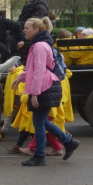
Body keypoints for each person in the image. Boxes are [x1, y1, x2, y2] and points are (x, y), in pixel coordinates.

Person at [11, 17, 79, 166]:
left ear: (37, 30)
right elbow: (34, 68)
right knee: (41, 121)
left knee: (39, 123)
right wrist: (21, 78)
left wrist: (35, 93)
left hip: (45, 87)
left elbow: (39, 71)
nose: (24, 30)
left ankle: (40, 156)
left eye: (27, 28)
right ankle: (69, 142)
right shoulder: (38, 44)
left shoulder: (40, 46)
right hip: (46, 86)